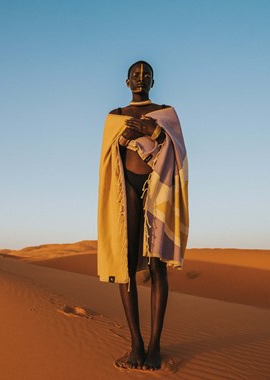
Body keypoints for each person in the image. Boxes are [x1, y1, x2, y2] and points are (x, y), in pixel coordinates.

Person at [97, 61, 189, 371]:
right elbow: (109, 157)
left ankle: (155, 346)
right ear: (126, 82)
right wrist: (126, 135)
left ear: (153, 80)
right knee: (126, 264)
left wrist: (155, 131)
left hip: (158, 189)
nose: (141, 77)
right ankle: (135, 344)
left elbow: (177, 151)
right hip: (126, 191)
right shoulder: (116, 116)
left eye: (146, 74)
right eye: (135, 74)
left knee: (156, 265)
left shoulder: (166, 112)